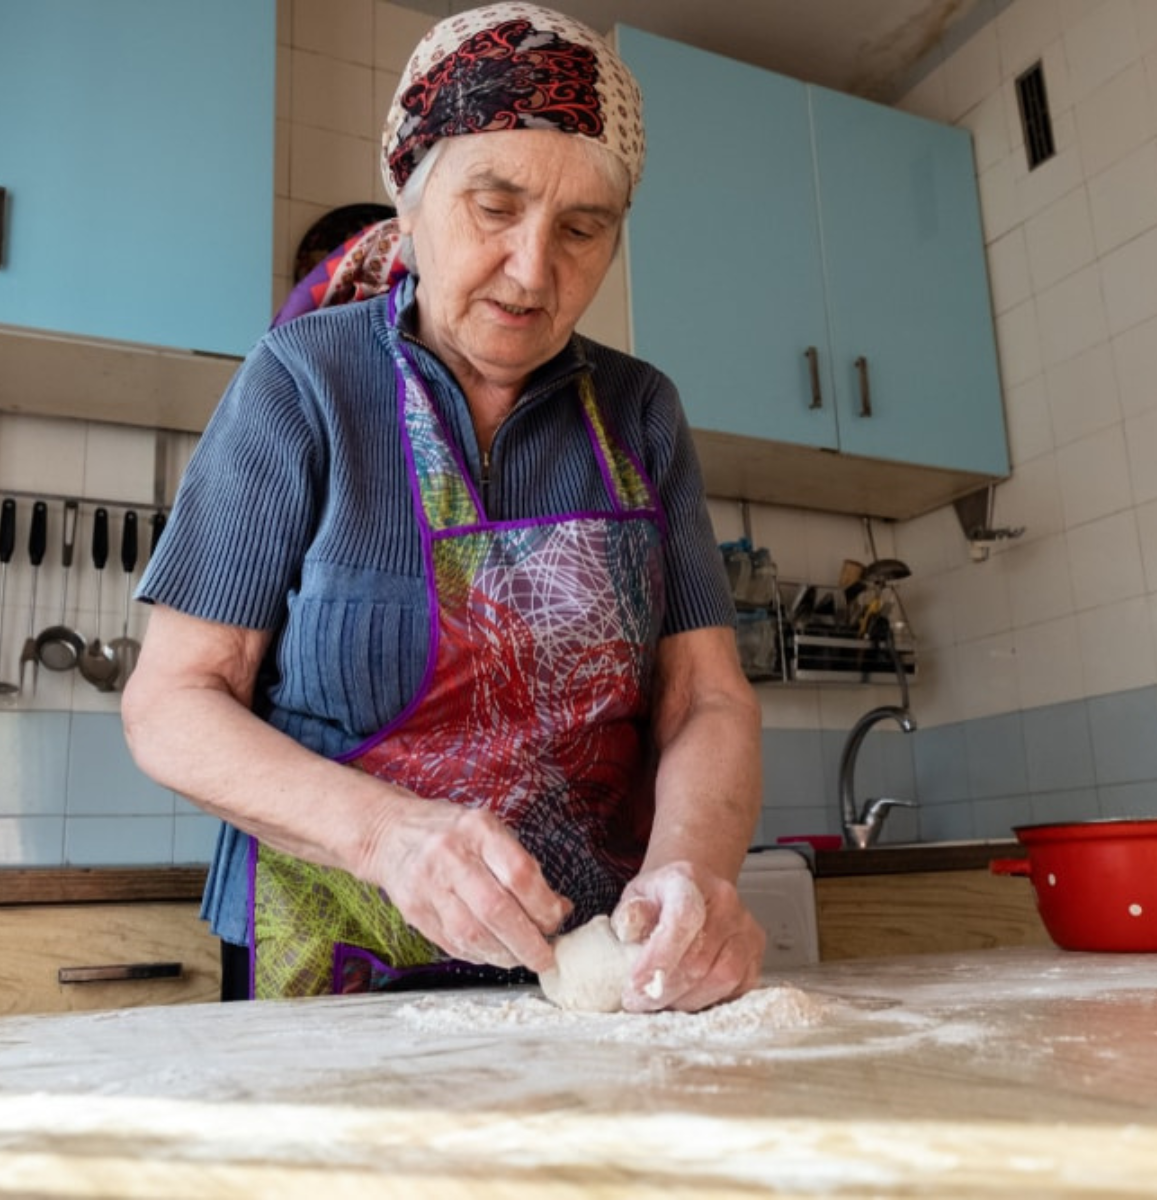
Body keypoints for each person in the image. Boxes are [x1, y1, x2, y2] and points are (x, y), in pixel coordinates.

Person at [122, 2, 764, 1010]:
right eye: (494, 207)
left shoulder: (640, 411)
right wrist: (390, 836)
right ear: (410, 206)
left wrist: (691, 871)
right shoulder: (303, 382)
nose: (534, 268)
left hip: (592, 977)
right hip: (328, 972)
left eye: (582, 229)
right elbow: (171, 703)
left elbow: (706, 699)